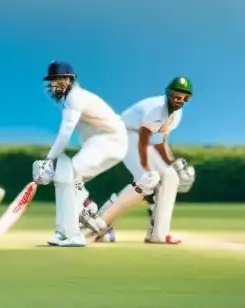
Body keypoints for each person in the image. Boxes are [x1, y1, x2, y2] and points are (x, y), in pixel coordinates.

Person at [85, 77, 195, 244]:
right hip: (123, 134)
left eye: (184, 98)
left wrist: (171, 162)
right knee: (148, 179)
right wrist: (144, 166)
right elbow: (144, 137)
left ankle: (158, 235)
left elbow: (160, 141)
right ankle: (99, 224)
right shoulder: (158, 109)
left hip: (139, 137)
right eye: (176, 96)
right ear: (168, 94)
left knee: (171, 176)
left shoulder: (176, 115)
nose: (179, 100)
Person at [31, 61, 128, 247]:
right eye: (52, 80)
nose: (54, 84)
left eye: (59, 79)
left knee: (70, 175)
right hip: (104, 142)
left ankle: (74, 234)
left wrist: (48, 161)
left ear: (70, 79)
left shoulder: (75, 98)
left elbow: (65, 131)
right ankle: (71, 227)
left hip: (111, 141)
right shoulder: (71, 99)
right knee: (69, 180)